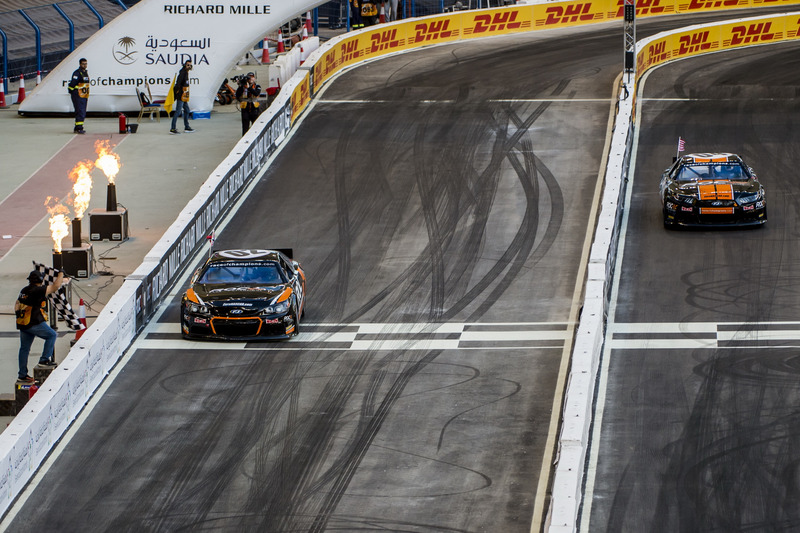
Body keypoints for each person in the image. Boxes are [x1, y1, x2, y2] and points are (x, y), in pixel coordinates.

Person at [15, 270, 68, 383]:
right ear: (40, 280)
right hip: (34, 322)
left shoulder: (24, 290)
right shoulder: (38, 290)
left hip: (23, 323)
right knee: (52, 335)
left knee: (24, 349)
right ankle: (44, 360)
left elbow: (17, 304)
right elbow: (55, 286)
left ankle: (22, 375)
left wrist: (18, 315)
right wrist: (61, 274)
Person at [170, 60, 196, 134]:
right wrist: (178, 93)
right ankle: (172, 128)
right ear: (185, 65)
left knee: (187, 110)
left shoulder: (186, 73)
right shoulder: (182, 73)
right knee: (178, 111)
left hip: (184, 96)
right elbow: (178, 84)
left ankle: (187, 127)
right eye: (188, 65)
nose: (189, 66)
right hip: (181, 95)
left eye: (190, 65)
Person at [67, 58, 90, 134]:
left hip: (84, 95)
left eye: (86, 64)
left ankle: (77, 127)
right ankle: (79, 128)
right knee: (80, 111)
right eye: (83, 64)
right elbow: (72, 84)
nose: (85, 65)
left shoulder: (85, 72)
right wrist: (72, 92)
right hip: (78, 94)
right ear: (80, 64)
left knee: (82, 111)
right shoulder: (77, 73)